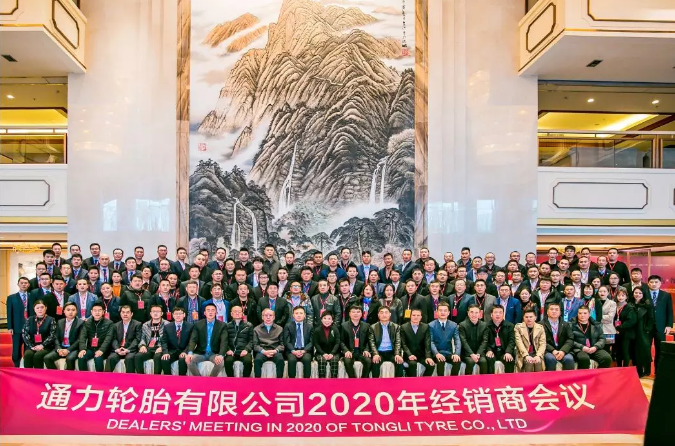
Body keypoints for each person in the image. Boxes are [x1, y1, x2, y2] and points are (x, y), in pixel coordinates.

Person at [186, 302, 228, 377]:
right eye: (208, 310)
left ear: (216, 312)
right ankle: (199, 380)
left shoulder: (222, 325)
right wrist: (190, 353)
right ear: (205, 313)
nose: (210, 312)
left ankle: (211, 380)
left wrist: (221, 355)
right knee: (189, 361)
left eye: (213, 310)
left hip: (214, 353)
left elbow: (224, 342)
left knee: (220, 363)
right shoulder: (198, 324)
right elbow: (193, 340)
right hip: (201, 353)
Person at [44, 302, 83, 370]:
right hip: (61, 347)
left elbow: (79, 339)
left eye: (73, 310)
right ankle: (56, 375)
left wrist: (68, 350)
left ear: (76, 311)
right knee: (47, 358)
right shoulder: (60, 322)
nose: (70, 312)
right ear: (64, 311)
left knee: (70, 359)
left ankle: (68, 376)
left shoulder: (80, 323)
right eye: (68, 310)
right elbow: (56, 337)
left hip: (73, 348)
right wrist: (59, 349)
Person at [77, 302, 114, 372]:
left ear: (103, 312)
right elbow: (82, 336)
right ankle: (83, 378)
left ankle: (99, 378)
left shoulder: (109, 323)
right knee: (81, 357)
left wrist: (101, 350)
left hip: (104, 349)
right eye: (95, 310)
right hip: (90, 349)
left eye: (99, 310)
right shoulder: (87, 323)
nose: (97, 312)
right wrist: (82, 349)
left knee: (98, 358)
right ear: (91, 312)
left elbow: (108, 339)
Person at [647, 275, 673, 373]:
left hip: (661, 326)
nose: (654, 284)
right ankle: (646, 370)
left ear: (660, 283)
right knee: (646, 349)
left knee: (660, 349)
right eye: (651, 282)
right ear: (648, 283)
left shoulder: (666, 295)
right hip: (646, 327)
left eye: (656, 282)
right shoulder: (644, 294)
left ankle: (658, 371)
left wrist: (669, 325)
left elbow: (669, 311)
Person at [368, 306, 404, 377]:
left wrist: (397, 354)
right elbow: (372, 342)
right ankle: (375, 383)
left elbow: (398, 342)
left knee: (399, 361)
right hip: (379, 352)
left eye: (386, 312)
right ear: (378, 315)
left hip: (391, 352)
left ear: (390, 314)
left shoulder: (396, 327)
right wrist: (375, 354)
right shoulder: (373, 327)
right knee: (376, 362)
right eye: (381, 313)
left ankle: (398, 383)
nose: (384, 315)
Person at [428, 302, 462, 376]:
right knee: (440, 361)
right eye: (440, 310)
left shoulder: (454, 325)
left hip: (448, 352)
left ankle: (453, 381)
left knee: (457, 361)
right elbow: (431, 341)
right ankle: (441, 382)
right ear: (437, 312)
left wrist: (457, 354)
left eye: (445, 310)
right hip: (437, 353)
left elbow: (457, 341)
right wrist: (436, 353)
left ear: (448, 313)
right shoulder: (431, 325)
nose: (443, 312)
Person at [22, 300, 57, 368]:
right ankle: (27, 374)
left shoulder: (51, 320)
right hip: (32, 346)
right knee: (28, 354)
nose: (40, 310)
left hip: (46, 346)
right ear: (34, 309)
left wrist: (42, 345)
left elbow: (52, 335)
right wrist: (31, 346)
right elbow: (25, 334)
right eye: (37, 308)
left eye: (42, 307)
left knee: (37, 356)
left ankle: (38, 374)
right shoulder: (29, 319)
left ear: (46, 308)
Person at [107, 305, 142, 373]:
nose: (125, 314)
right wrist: (117, 349)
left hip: (131, 350)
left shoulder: (137, 324)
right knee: (111, 358)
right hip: (119, 349)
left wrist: (128, 349)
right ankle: (106, 379)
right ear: (120, 314)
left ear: (131, 314)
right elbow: (114, 339)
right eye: (123, 312)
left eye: (127, 312)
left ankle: (130, 379)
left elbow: (137, 339)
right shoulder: (115, 325)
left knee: (129, 359)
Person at [134, 305, 168, 374]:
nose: (155, 313)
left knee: (157, 357)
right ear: (150, 313)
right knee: (138, 356)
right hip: (149, 348)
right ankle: (141, 378)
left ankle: (156, 378)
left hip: (160, 347)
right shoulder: (145, 325)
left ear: (162, 313)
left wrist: (162, 347)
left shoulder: (167, 324)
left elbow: (169, 339)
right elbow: (142, 338)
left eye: (158, 311)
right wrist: (142, 346)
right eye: (153, 311)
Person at [400, 309, 435, 376]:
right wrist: (409, 355)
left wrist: (428, 357)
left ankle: (423, 382)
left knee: (431, 365)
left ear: (421, 317)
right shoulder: (403, 327)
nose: (416, 317)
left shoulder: (426, 327)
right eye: (414, 315)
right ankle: (411, 382)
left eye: (418, 315)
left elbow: (427, 343)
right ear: (410, 316)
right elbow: (403, 344)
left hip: (422, 355)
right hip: (409, 355)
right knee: (412, 364)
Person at [340, 306, 372, 378]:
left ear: (361, 314)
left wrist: (366, 350)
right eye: (353, 312)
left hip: (361, 352)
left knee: (368, 361)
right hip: (350, 352)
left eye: (358, 312)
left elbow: (369, 341)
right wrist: (346, 351)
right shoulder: (344, 326)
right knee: (347, 361)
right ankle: (353, 380)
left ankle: (364, 380)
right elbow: (341, 341)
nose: (356, 314)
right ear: (349, 314)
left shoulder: (366, 326)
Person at [160, 306, 193, 376]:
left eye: (180, 314)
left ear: (184, 315)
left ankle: (182, 380)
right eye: (176, 314)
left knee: (182, 360)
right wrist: (165, 352)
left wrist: (185, 352)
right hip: (172, 351)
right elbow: (164, 341)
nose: (178, 315)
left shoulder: (190, 326)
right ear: (173, 315)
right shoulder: (167, 327)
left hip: (184, 350)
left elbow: (191, 342)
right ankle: (168, 379)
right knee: (165, 359)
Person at [542, 303, 575, 371]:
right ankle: (551, 378)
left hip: (563, 349)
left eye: (556, 310)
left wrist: (563, 351)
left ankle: (568, 378)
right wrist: (553, 350)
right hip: (548, 350)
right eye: (551, 309)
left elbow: (570, 339)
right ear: (547, 312)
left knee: (569, 359)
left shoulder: (566, 324)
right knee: (550, 359)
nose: (554, 311)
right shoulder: (541, 325)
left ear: (560, 312)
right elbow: (541, 341)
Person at [252, 308, 285, 378]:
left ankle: (279, 382)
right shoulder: (256, 329)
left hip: (275, 351)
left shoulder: (280, 329)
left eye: (270, 315)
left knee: (280, 360)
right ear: (262, 317)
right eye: (266, 315)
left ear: (274, 317)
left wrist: (275, 351)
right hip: (262, 351)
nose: (268, 317)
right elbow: (255, 345)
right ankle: (257, 383)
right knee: (257, 360)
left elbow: (282, 345)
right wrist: (264, 352)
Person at [283, 306, 314, 378]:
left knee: (307, 359)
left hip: (305, 350)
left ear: (304, 315)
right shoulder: (288, 326)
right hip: (292, 350)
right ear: (293, 315)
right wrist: (293, 351)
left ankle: (306, 381)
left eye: (301, 313)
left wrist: (304, 350)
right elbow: (286, 341)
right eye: (296, 313)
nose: (299, 315)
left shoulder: (310, 326)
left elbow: (312, 342)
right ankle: (292, 381)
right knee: (292, 360)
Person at [224, 305, 254, 377]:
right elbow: (224, 341)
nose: (237, 313)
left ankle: (245, 381)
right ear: (231, 314)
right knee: (228, 361)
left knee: (248, 361)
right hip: (231, 351)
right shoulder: (226, 326)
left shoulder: (249, 325)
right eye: (235, 311)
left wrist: (246, 349)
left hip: (244, 351)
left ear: (242, 313)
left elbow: (252, 340)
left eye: (239, 312)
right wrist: (227, 349)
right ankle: (230, 381)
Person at [458, 304, 488, 374]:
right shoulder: (462, 325)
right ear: (468, 313)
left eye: (476, 312)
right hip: (466, 353)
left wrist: (478, 354)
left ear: (480, 314)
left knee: (483, 361)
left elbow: (484, 341)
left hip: (479, 353)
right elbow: (463, 342)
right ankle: (467, 381)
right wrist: (471, 354)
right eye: (471, 312)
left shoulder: (484, 325)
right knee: (470, 362)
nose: (474, 315)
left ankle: (484, 381)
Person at [7, 277, 30, 367]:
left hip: (29, 327)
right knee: (16, 350)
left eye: (26, 283)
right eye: (22, 283)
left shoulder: (32, 296)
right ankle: (16, 366)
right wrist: (10, 327)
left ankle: (27, 367)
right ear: (18, 284)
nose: (24, 284)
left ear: (28, 285)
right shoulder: (11, 298)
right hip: (17, 327)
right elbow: (9, 313)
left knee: (28, 350)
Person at [485, 305, 515, 374]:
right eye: (495, 312)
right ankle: (490, 380)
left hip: (504, 351)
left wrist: (508, 352)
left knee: (509, 360)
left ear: (503, 314)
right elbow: (485, 341)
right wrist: (489, 350)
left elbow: (512, 341)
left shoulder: (510, 326)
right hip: (492, 351)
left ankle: (509, 380)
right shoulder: (486, 326)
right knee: (489, 359)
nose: (498, 314)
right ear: (491, 315)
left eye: (500, 312)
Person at [632, 288, 654, 377]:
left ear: (643, 294)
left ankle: (647, 370)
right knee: (635, 352)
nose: (637, 295)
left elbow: (651, 318)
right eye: (636, 293)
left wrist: (647, 329)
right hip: (632, 330)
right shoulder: (630, 304)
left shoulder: (647, 305)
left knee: (645, 350)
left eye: (640, 293)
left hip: (643, 331)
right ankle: (638, 371)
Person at [313, 311, 341, 378]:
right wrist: (323, 353)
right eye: (325, 318)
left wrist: (332, 353)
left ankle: (334, 380)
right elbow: (316, 344)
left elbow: (337, 343)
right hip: (320, 353)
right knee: (322, 360)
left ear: (332, 320)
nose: (327, 320)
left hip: (334, 353)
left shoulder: (335, 330)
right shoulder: (317, 330)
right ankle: (322, 380)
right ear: (321, 319)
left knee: (334, 360)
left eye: (329, 319)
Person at [613, 289, 636, 368]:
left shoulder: (630, 307)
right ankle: (619, 368)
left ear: (626, 297)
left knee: (625, 351)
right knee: (617, 351)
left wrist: (619, 327)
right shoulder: (614, 305)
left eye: (623, 295)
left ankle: (625, 369)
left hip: (626, 332)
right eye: (619, 295)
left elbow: (631, 321)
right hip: (616, 332)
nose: (620, 297)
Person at [597, 285, 617, 352]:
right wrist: (604, 317)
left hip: (608, 329)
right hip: (597, 329)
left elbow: (610, 317)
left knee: (607, 350)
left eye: (604, 291)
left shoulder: (612, 303)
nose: (602, 293)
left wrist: (598, 317)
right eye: (600, 291)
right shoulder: (594, 302)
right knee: (598, 349)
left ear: (608, 293)